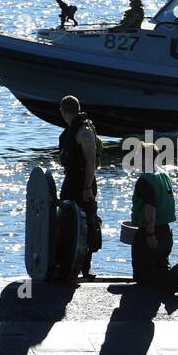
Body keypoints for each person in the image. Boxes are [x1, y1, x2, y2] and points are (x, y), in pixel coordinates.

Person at [129, 142, 178, 296]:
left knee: (142, 275)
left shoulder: (145, 179)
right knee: (160, 266)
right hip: (166, 233)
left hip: (151, 234)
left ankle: (177, 277)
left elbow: (150, 207)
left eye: (138, 155)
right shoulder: (164, 175)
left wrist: (150, 234)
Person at [58, 95, 102, 281]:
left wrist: (86, 188)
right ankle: (67, 263)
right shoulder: (69, 131)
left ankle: (86, 267)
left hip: (84, 182)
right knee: (67, 221)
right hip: (70, 180)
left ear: (63, 111)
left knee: (88, 222)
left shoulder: (84, 131)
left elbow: (91, 162)